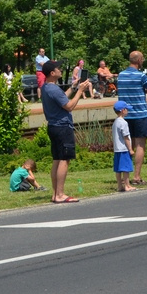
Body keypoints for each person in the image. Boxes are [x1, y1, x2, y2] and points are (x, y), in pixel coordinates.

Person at [41, 61, 92, 203]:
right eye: (58, 68)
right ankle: (60, 194)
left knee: (57, 159)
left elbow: (62, 97)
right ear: (52, 73)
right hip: (63, 127)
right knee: (64, 159)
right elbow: (69, 106)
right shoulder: (54, 89)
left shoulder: (46, 88)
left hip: (53, 126)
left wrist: (74, 87)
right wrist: (81, 91)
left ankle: (55, 193)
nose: (61, 70)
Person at [116, 50, 147, 185]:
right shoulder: (141, 76)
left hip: (125, 116)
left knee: (127, 146)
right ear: (140, 60)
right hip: (140, 114)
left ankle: (126, 177)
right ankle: (136, 176)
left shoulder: (121, 76)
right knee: (140, 145)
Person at [112, 101, 137, 192]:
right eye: (126, 109)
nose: (127, 111)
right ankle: (127, 185)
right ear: (123, 110)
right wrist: (130, 149)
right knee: (126, 168)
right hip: (123, 149)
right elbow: (126, 137)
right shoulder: (123, 123)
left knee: (118, 169)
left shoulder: (115, 122)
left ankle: (119, 186)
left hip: (117, 149)